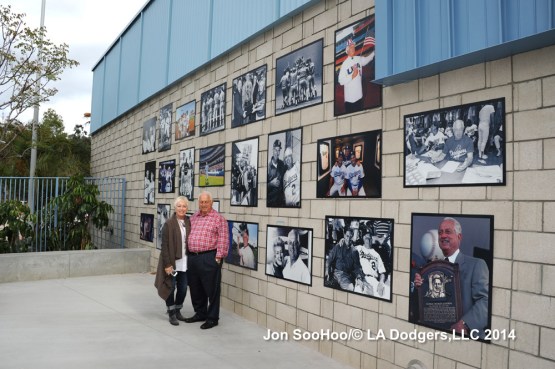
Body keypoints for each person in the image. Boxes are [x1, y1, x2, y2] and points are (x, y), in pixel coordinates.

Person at [413, 217, 489, 337]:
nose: (443, 235)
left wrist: (465, 324)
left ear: (459, 237)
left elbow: (486, 301)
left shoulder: (477, 265)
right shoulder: (431, 271)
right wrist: (420, 289)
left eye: (448, 232)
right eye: (440, 232)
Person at [184, 191, 229, 330]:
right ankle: (200, 313)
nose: (203, 204)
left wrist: (218, 257)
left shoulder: (218, 219)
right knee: (195, 288)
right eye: (201, 202)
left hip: (209, 257)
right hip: (193, 257)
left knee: (212, 290)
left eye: (206, 202)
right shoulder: (193, 218)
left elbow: (223, 238)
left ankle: (212, 318)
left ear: (212, 202)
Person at [154, 196, 191, 326]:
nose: (182, 208)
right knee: (171, 287)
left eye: (184, 206)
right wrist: (168, 265)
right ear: (175, 207)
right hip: (172, 262)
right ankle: (171, 313)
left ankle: (178, 310)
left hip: (185, 262)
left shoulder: (189, 221)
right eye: (179, 206)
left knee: (183, 289)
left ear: (187, 208)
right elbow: (164, 246)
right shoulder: (168, 224)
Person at [338, 38, 375, 114]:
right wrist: (352, 76)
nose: (353, 48)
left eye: (353, 46)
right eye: (351, 47)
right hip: (350, 100)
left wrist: (374, 52)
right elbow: (340, 81)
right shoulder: (344, 64)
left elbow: (368, 59)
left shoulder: (358, 58)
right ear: (347, 50)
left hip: (359, 97)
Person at [355, 233, 387, 297]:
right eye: (366, 238)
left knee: (385, 293)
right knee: (358, 292)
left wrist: (381, 283)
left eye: (370, 238)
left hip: (374, 280)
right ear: (363, 239)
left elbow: (382, 272)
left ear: (371, 240)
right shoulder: (358, 248)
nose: (368, 240)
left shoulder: (376, 254)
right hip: (363, 277)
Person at [267, 139, 286, 207]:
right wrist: (271, 184)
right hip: (271, 203)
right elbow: (262, 188)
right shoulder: (267, 167)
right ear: (273, 150)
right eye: (275, 150)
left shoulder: (282, 164)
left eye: (279, 150)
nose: (277, 153)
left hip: (281, 203)